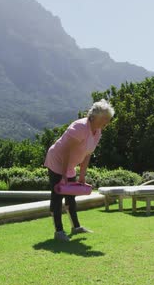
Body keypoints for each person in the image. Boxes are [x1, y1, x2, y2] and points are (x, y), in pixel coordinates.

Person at [44, 99, 114, 241]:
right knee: (58, 194)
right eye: (105, 119)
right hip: (58, 160)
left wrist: (82, 176)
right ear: (95, 117)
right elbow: (65, 152)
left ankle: (76, 227)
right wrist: (63, 176)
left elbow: (87, 153)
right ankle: (58, 231)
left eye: (108, 119)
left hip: (69, 164)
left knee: (71, 196)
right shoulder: (80, 127)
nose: (107, 122)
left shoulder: (97, 131)